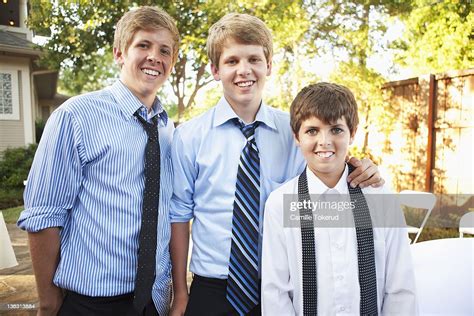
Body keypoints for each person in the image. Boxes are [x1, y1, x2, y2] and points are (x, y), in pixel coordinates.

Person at [169, 13, 383, 316]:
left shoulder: (295, 132)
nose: (244, 70)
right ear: (216, 70)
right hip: (213, 288)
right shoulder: (189, 137)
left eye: (254, 59)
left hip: (284, 285)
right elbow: (179, 215)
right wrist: (180, 292)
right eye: (232, 61)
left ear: (269, 65)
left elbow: (328, 170)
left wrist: (362, 169)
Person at [17, 6, 179, 316]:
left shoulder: (167, 128)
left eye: (164, 50)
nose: (154, 57)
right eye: (143, 45)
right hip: (92, 304)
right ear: (119, 53)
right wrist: (48, 302)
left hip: (154, 301)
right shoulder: (75, 116)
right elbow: (43, 216)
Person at [261, 82, 417, 315]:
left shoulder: (379, 197)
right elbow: (276, 293)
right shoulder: (279, 203)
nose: (324, 141)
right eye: (312, 130)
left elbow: (400, 287)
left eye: (336, 129)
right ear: (296, 137)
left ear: (352, 133)